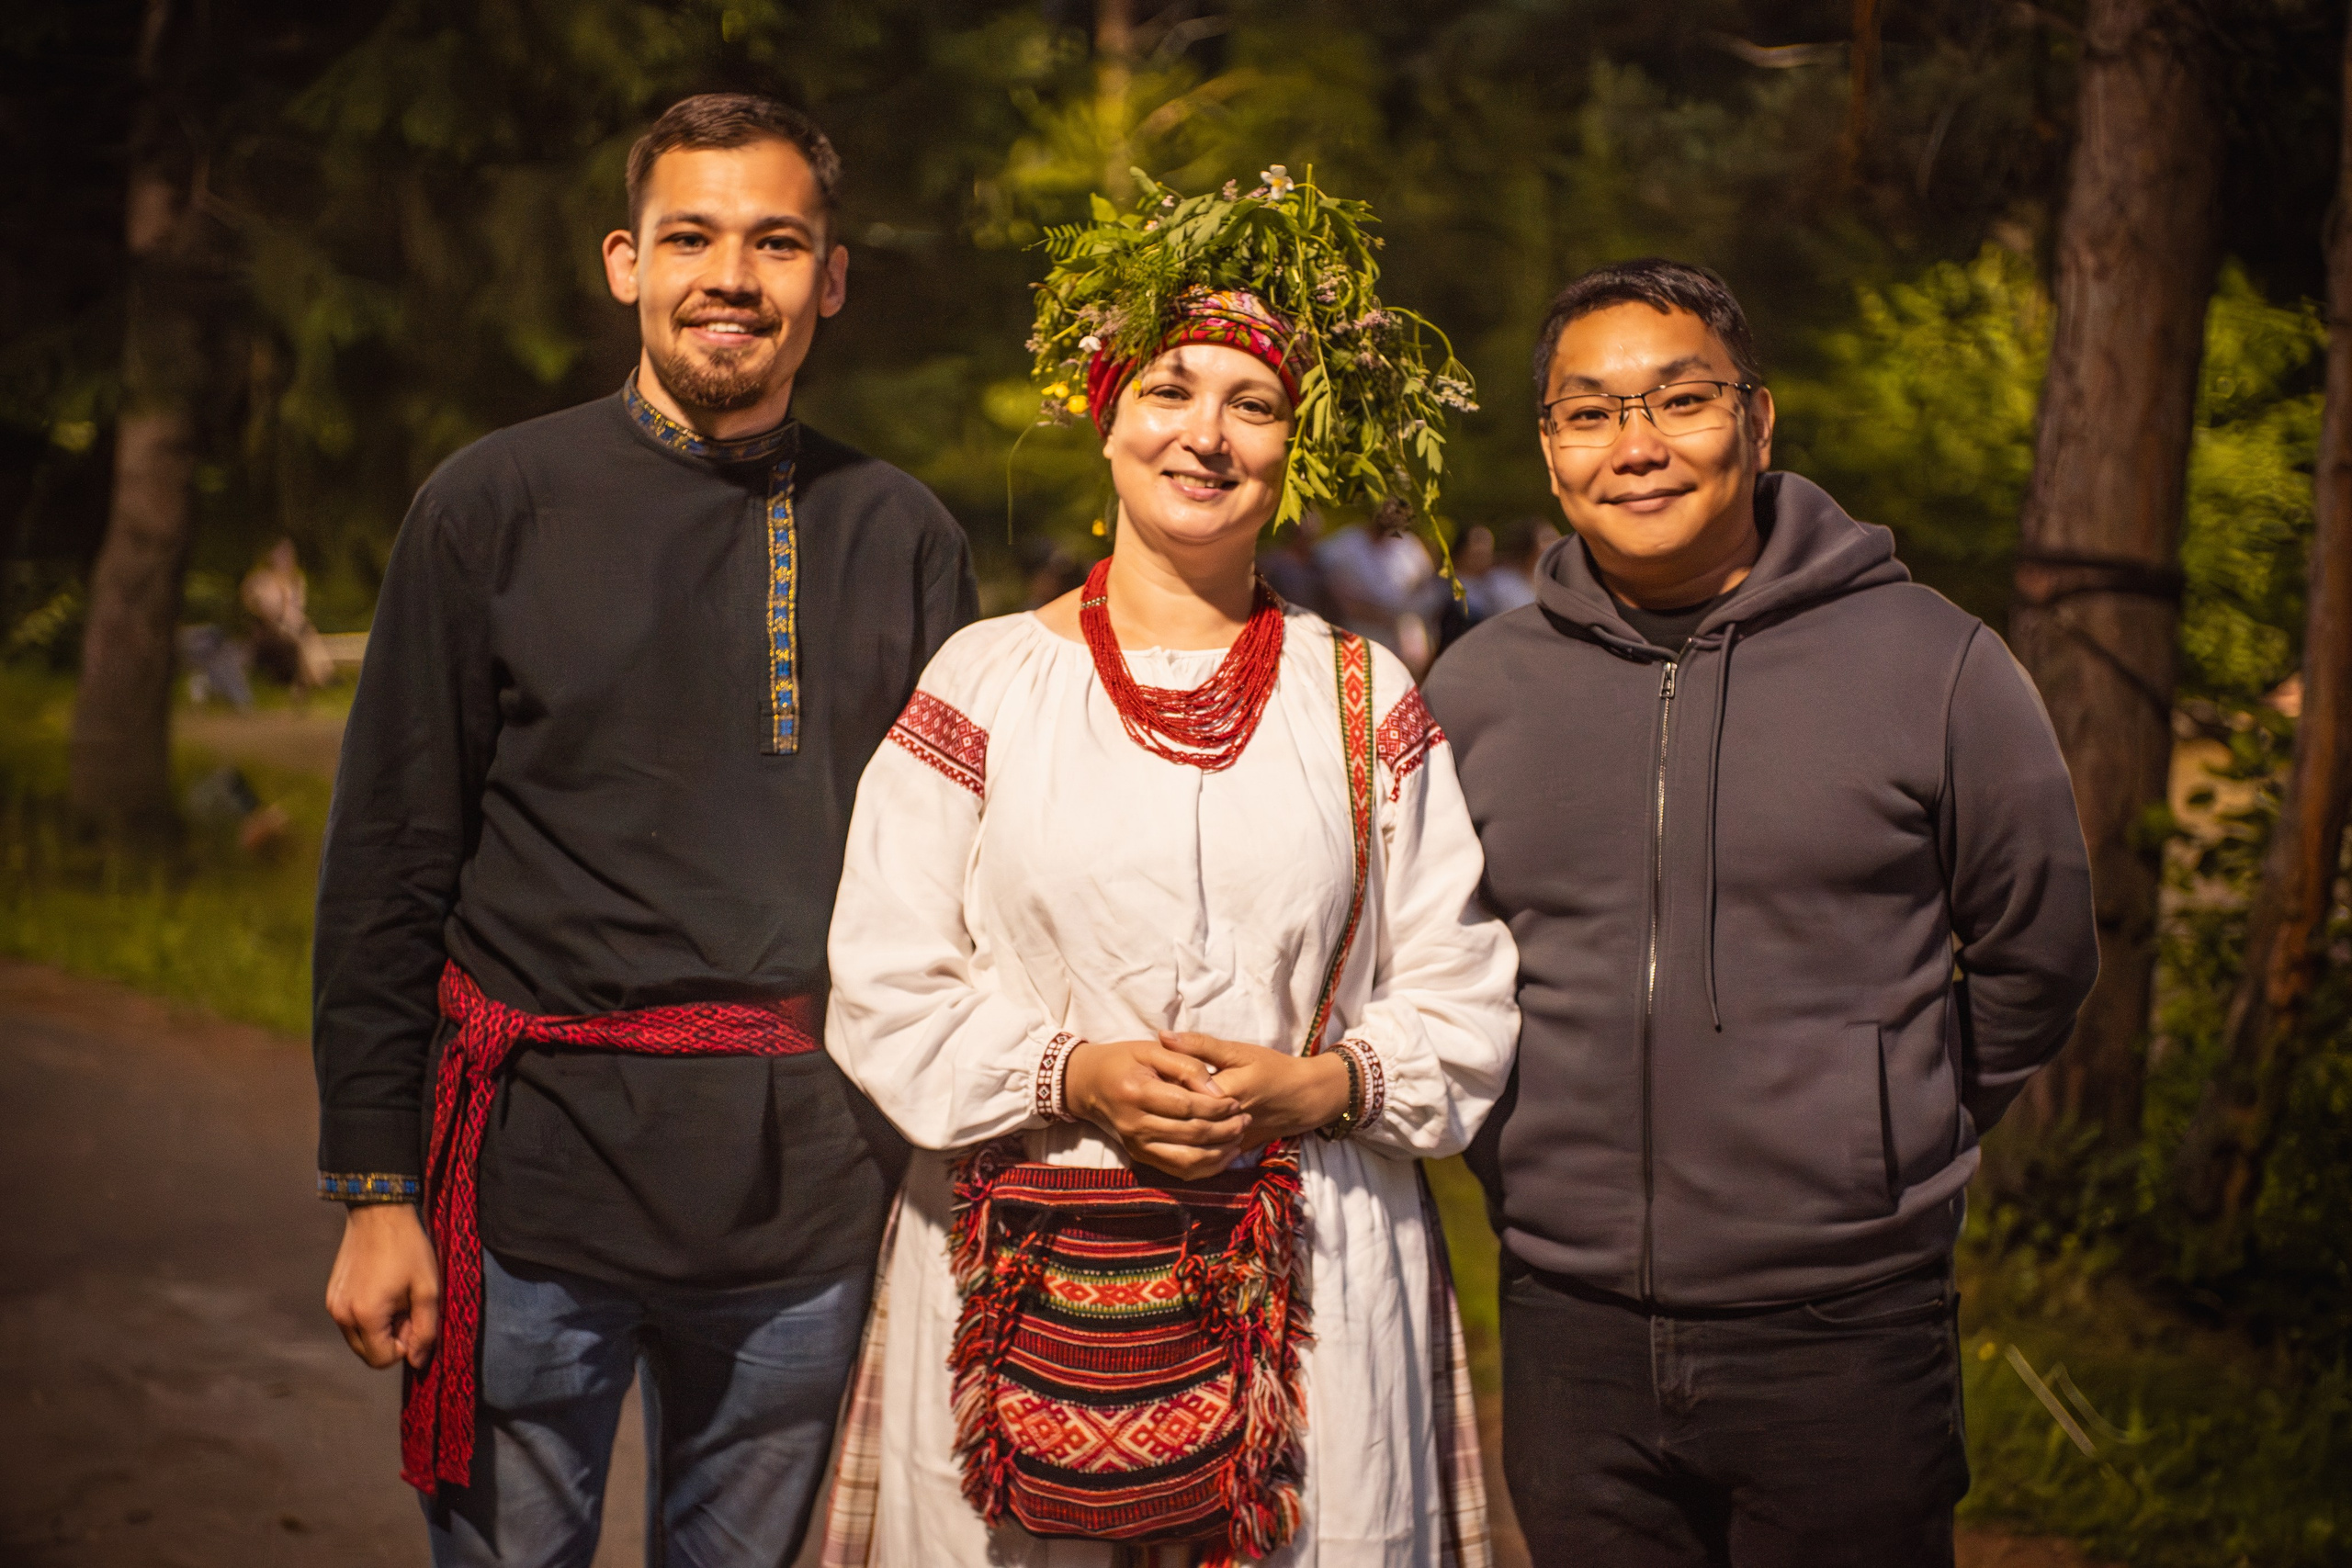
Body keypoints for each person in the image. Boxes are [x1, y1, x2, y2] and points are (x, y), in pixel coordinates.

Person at [311, 94, 976, 1567]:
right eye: (691, 238)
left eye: (776, 243)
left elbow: (961, 887)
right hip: (530, 1187)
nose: (730, 277)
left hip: (804, 1205)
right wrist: (375, 1188)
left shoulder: (904, 536)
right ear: (626, 263)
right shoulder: (489, 507)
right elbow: (388, 864)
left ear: (832, 278)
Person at [820, 172, 1518, 1567]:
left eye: (1252, 403)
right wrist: (1073, 1074)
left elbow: (1461, 985)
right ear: (1106, 415)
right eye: (1168, 390)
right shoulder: (986, 683)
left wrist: (1320, 1084)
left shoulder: (1358, 693)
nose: (1206, 434)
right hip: (1024, 1261)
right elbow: (884, 978)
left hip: (1312, 1266)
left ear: (1292, 443)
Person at [1424, 258, 2098, 1567]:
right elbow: (1439, 960)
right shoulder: (1477, 690)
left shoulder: (1935, 663)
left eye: (1680, 401)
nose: (1637, 446)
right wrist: (1521, 1154)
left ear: (1758, 419)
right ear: (1551, 452)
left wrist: (1888, 1131)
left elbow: (2041, 952)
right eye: (1590, 412)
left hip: (1845, 1330)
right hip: (1569, 1327)